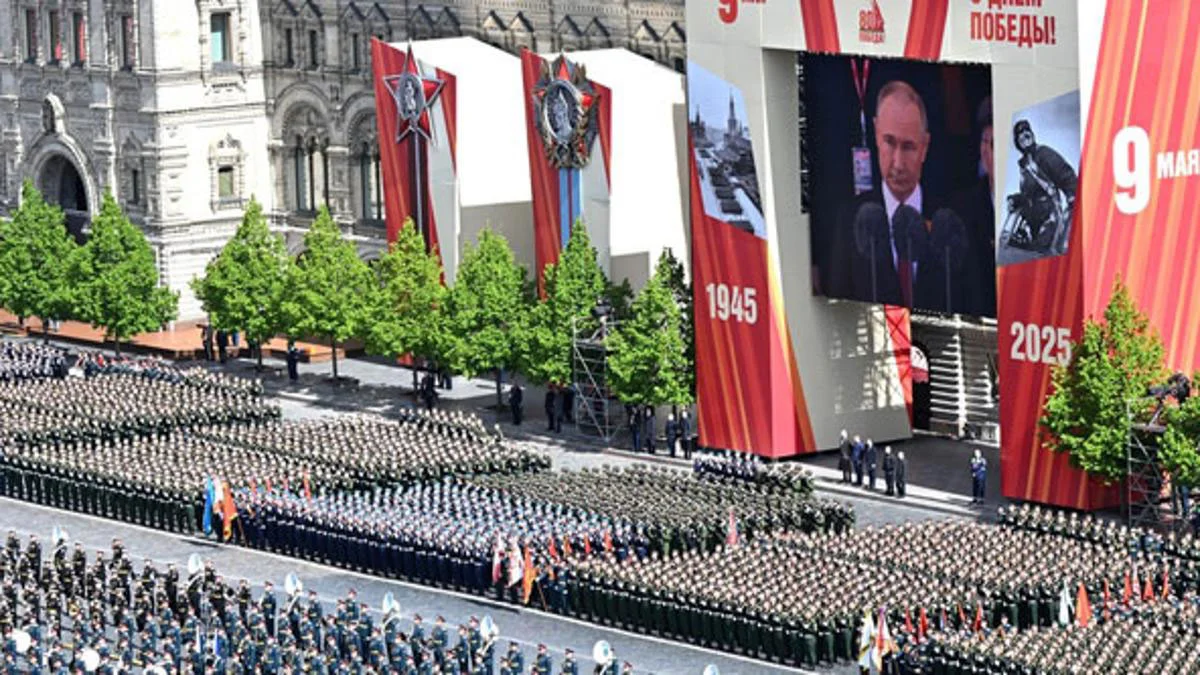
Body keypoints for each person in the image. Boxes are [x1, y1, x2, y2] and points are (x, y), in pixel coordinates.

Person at [826, 80, 961, 313]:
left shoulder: (952, 221)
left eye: (908, 147)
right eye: (889, 142)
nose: (898, 163)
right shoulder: (849, 219)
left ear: (925, 147)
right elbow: (836, 311)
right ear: (876, 134)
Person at [1008, 119, 1078, 255]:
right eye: (1020, 134)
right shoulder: (1024, 165)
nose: (1024, 135)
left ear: (1032, 134)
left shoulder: (1044, 153)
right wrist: (1015, 200)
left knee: (1043, 253)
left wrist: (1072, 193)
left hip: (1049, 215)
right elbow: (1027, 194)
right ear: (1018, 142)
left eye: (1027, 131)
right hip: (1032, 218)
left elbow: (1065, 173)